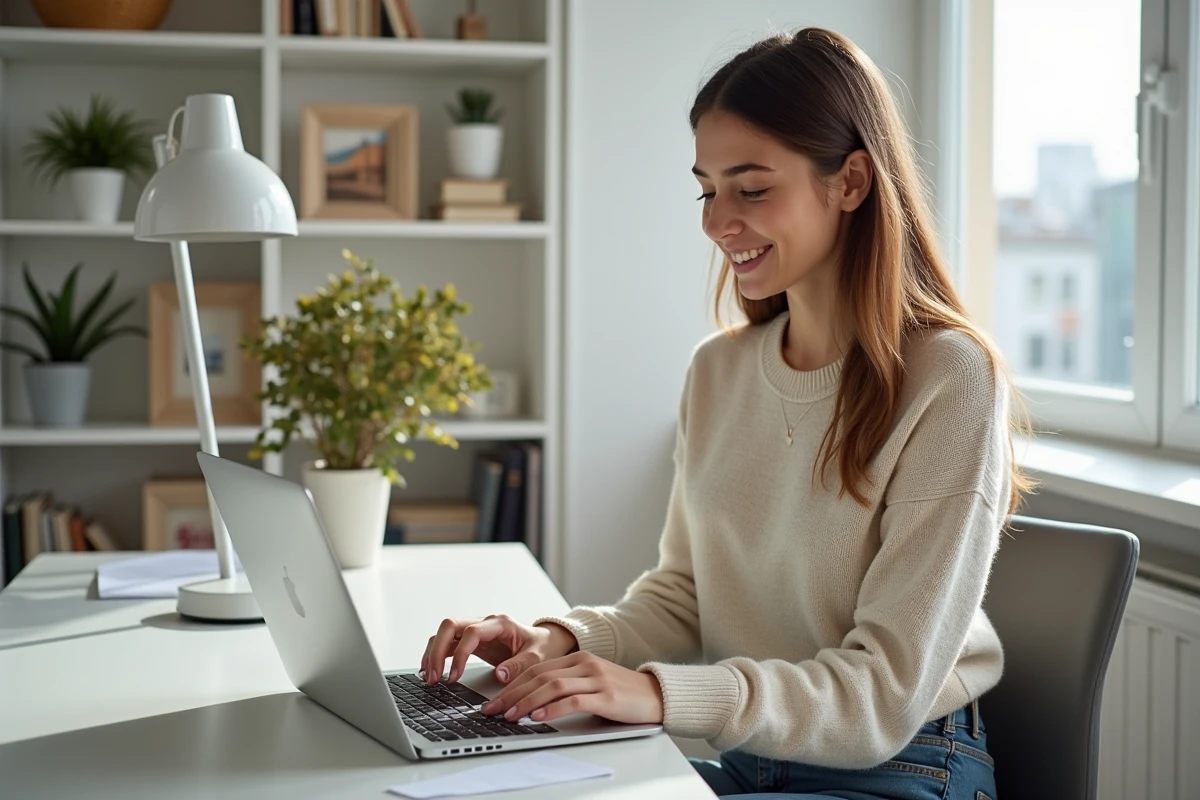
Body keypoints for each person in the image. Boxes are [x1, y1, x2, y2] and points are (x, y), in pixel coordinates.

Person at [421, 26, 1031, 800]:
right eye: (708, 190)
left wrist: (655, 692)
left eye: (751, 188)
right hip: (754, 759)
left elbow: (883, 694)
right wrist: (553, 640)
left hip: (901, 769)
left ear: (849, 181)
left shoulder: (951, 377)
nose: (716, 222)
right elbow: (686, 593)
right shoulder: (718, 371)